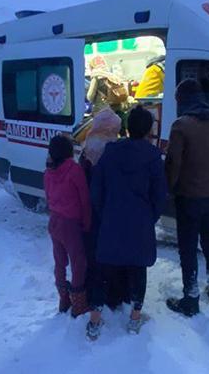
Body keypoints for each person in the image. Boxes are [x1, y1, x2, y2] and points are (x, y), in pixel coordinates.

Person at [87, 106, 167, 340]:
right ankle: (134, 318)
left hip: (111, 219)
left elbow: (96, 190)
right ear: (149, 130)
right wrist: (148, 217)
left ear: (127, 127)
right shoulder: (153, 157)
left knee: (102, 270)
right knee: (138, 268)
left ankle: (94, 320)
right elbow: (160, 195)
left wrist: (106, 213)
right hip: (140, 222)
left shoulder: (110, 152)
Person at [165, 79, 209, 317]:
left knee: (188, 248)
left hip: (189, 198)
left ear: (182, 100)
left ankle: (191, 298)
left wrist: (170, 189)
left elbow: (174, 164)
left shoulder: (181, 126)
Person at [78, 109, 130, 315]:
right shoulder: (116, 149)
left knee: (94, 253)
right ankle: (114, 294)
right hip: (111, 209)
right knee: (113, 252)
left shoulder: (88, 146)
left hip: (91, 211)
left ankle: (95, 294)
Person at [44, 135, 91, 318]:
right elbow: (84, 200)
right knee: (78, 262)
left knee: (60, 261)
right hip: (71, 224)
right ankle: (78, 303)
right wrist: (86, 223)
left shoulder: (48, 172)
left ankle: (63, 299)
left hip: (54, 221)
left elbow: (48, 197)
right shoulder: (75, 171)